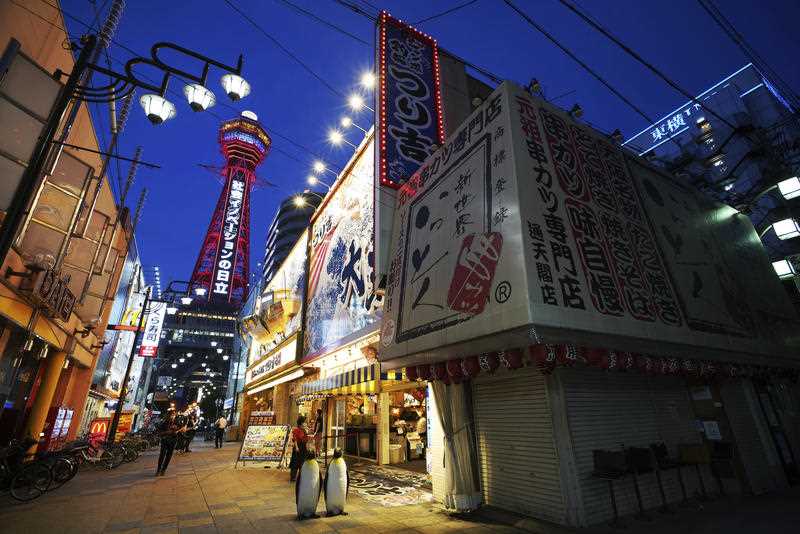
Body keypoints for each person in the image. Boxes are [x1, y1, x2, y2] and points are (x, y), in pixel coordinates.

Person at [156, 409, 184, 476]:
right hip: (165, 440)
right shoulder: (164, 422)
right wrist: (167, 432)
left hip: (173, 440)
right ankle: (158, 469)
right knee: (162, 455)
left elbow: (182, 428)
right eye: (171, 414)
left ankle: (163, 469)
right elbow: (159, 432)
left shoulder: (177, 422)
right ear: (168, 415)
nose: (173, 416)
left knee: (169, 455)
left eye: (174, 414)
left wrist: (178, 430)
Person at [289, 415, 309, 482]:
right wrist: (296, 447)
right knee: (295, 462)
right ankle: (293, 477)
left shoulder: (304, 430)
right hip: (298, 447)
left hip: (303, 448)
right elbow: (295, 439)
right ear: (301, 423)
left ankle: (302, 476)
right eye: (304, 422)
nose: (305, 423)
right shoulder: (296, 430)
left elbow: (306, 440)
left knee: (302, 462)